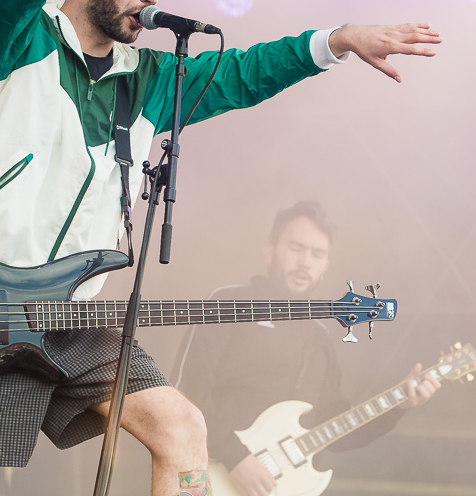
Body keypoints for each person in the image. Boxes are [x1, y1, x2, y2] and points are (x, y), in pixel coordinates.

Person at [0, 0, 442, 496]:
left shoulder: (147, 80)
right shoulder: (15, 42)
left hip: (71, 312)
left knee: (182, 428)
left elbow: (245, 74)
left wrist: (335, 41)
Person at [173, 201, 441, 496]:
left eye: (317, 254)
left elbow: (335, 428)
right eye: (296, 248)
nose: (305, 262)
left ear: (325, 267)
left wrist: (398, 405)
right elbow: (185, 393)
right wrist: (236, 458)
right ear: (270, 251)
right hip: (205, 473)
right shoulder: (228, 303)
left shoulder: (319, 338)